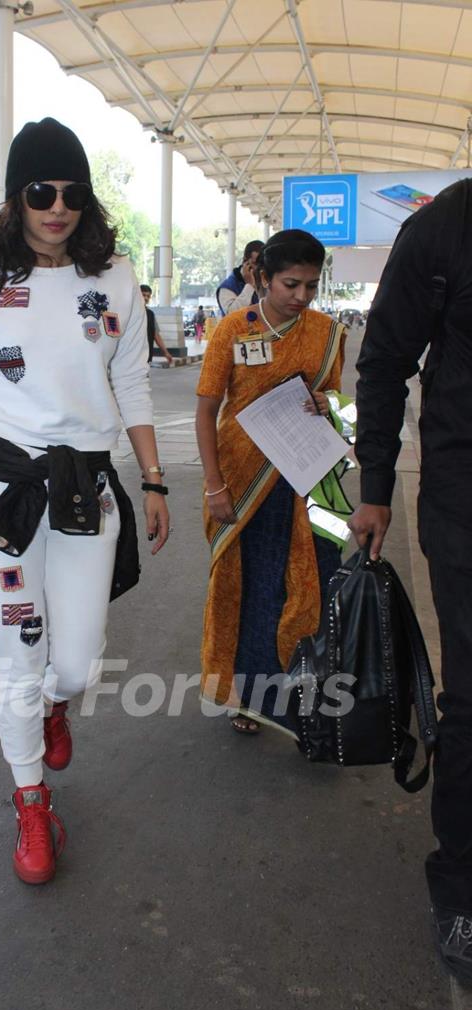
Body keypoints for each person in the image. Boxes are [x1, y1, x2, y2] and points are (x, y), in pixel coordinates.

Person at [0, 116, 169, 886]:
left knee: (78, 666)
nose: (57, 206)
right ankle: (31, 802)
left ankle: (57, 705)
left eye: (71, 192)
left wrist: (153, 480)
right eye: (40, 191)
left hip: (88, 491)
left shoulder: (115, 278)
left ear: (87, 200)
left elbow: (132, 386)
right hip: (6, 499)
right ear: (15, 199)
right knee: (19, 665)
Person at [349, 177, 472, 986]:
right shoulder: (447, 229)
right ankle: (460, 887)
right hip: (466, 503)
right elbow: (385, 361)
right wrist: (377, 488)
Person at [195, 229, 346, 731]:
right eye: (290, 284)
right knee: (254, 589)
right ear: (261, 277)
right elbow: (206, 411)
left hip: (310, 483)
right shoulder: (233, 330)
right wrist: (214, 486)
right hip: (245, 485)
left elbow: (345, 407)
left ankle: (312, 698)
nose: (301, 296)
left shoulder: (327, 332)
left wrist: (332, 406)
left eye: (310, 285)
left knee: (313, 587)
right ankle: (253, 699)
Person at [216, 239, 265, 316]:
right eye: (256, 263)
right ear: (245, 262)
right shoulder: (228, 287)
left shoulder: (265, 281)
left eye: (263, 264)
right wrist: (249, 286)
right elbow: (232, 314)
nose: (260, 268)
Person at [139, 284, 173, 364]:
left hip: (146, 355)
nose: (146, 298)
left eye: (148, 296)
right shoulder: (130, 313)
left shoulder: (150, 314)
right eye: (143, 295)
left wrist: (166, 352)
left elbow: (156, 335)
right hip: (130, 355)